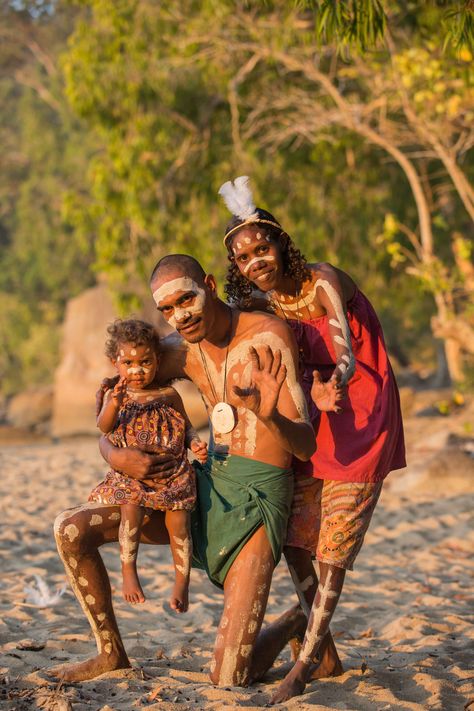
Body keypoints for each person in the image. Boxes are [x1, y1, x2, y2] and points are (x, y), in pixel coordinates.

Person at [52, 254, 339, 686]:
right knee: (70, 529)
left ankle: (299, 620)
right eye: (167, 309)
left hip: (259, 501)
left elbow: (305, 443)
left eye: (186, 299)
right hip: (197, 489)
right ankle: (110, 653)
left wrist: (270, 417)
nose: (179, 315)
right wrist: (113, 455)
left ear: (207, 284)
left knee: (228, 680)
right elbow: (116, 400)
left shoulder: (267, 336)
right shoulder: (178, 349)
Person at [219, 176, 406, 703]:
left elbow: (345, 351)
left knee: (332, 551)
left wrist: (334, 382)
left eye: (262, 247)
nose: (256, 259)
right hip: (311, 418)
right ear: (236, 267)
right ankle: (322, 652)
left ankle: (302, 668)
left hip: (358, 412)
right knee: (297, 541)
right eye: (244, 256)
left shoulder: (321, 281)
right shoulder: (265, 305)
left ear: (281, 243)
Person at [90, 318, 207, 611]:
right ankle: (129, 571)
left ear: (157, 360)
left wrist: (195, 444)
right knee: (131, 509)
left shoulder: (168, 394)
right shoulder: (117, 395)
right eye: (128, 363)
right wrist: (114, 404)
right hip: (133, 476)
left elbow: (188, 427)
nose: (137, 370)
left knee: (179, 522)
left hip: (172, 473)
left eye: (145, 362)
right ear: (114, 362)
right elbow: (103, 427)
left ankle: (182, 581)